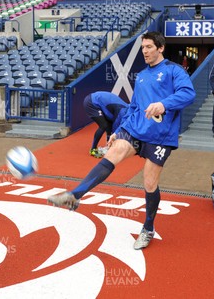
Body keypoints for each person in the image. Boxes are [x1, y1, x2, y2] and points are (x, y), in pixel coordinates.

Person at [48, 31, 196, 250]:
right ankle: (75, 195)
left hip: (161, 137)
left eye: (149, 47)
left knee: (149, 182)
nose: (144, 51)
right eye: (143, 47)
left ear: (160, 48)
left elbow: (188, 93)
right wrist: (120, 130)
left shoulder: (174, 71)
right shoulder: (142, 75)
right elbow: (134, 108)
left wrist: (164, 104)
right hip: (135, 130)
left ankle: (148, 228)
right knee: (113, 152)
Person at [83, 91, 128, 158]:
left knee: (109, 124)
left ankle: (108, 146)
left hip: (99, 101)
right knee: (103, 125)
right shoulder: (122, 111)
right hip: (91, 102)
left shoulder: (126, 109)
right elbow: (115, 128)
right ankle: (93, 149)